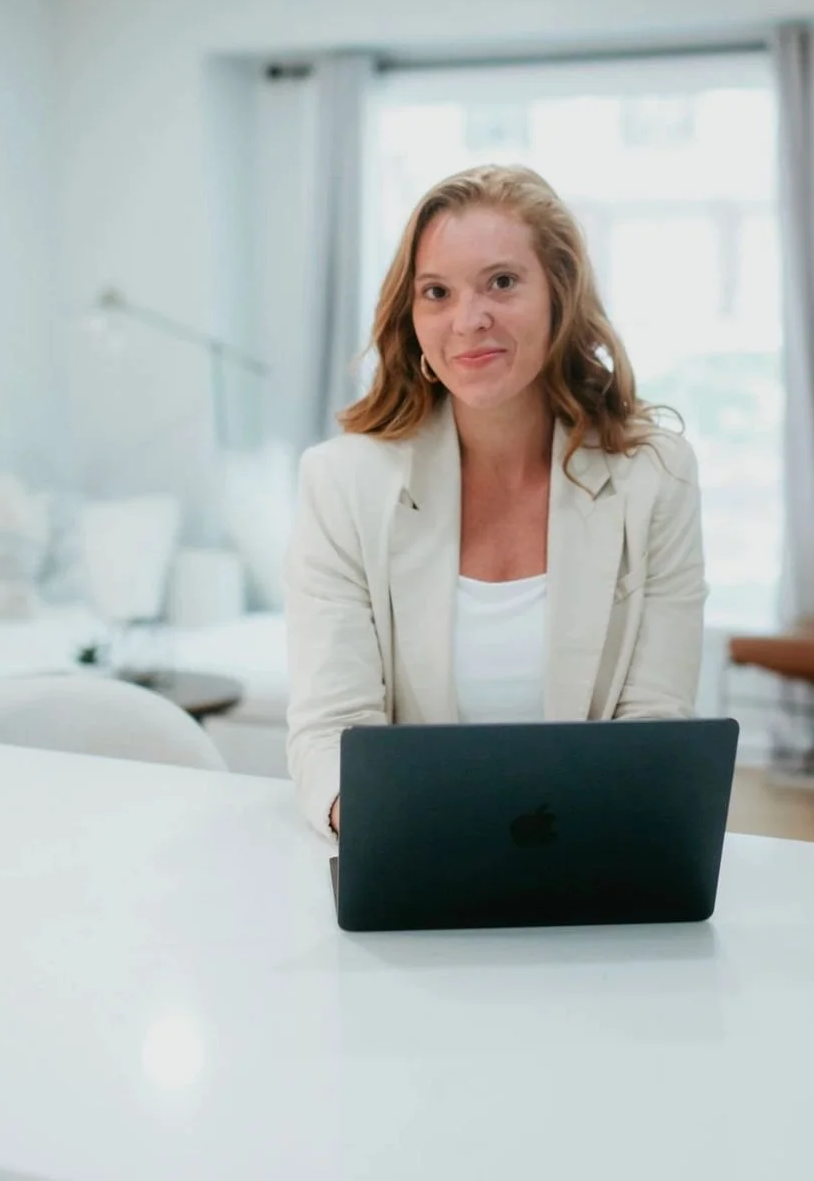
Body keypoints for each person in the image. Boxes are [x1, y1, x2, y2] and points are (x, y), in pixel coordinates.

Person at [285, 164, 706, 838]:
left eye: (502, 282)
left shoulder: (657, 477)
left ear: (558, 296)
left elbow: (655, 722)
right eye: (437, 292)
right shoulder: (341, 482)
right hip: (411, 856)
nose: (468, 319)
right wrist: (376, 823)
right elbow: (331, 731)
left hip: (591, 857)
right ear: (413, 318)